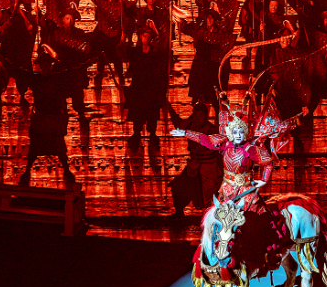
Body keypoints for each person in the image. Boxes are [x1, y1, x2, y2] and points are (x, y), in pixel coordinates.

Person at [169, 92, 299, 215]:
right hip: (227, 190)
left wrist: (263, 180)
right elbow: (206, 140)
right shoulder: (224, 144)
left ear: (245, 133)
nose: (238, 135)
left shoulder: (250, 149)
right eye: (235, 132)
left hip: (245, 190)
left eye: (241, 132)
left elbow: (268, 163)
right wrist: (186, 133)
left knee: (253, 218)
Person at [10, 48, 78, 187]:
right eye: (44, 64)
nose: (46, 66)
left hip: (53, 118)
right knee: (35, 149)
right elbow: (18, 72)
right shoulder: (38, 79)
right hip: (42, 118)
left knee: (59, 147)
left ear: (50, 65)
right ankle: (28, 170)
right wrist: (5, 62)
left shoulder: (55, 78)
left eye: (48, 64)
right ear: (41, 66)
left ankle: (65, 169)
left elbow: (74, 72)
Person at [167, 101, 222, 217]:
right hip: (194, 166)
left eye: (200, 115)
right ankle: (179, 213)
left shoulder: (212, 130)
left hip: (209, 167)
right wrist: (188, 118)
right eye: (195, 115)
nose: (198, 118)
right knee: (178, 186)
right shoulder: (190, 127)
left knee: (212, 194)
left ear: (206, 116)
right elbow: (179, 127)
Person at [125, 23, 168, 144]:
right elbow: (124, 55)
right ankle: (136, 133)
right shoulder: (136, 52)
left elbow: (160, 69)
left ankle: (153, 133)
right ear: (141, 37)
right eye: (144, 36)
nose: (146, 39)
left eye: (148, 37)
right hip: (138, 86)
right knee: (137, 112)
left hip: (151, 87)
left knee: (152, 112)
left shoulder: (155, 53)